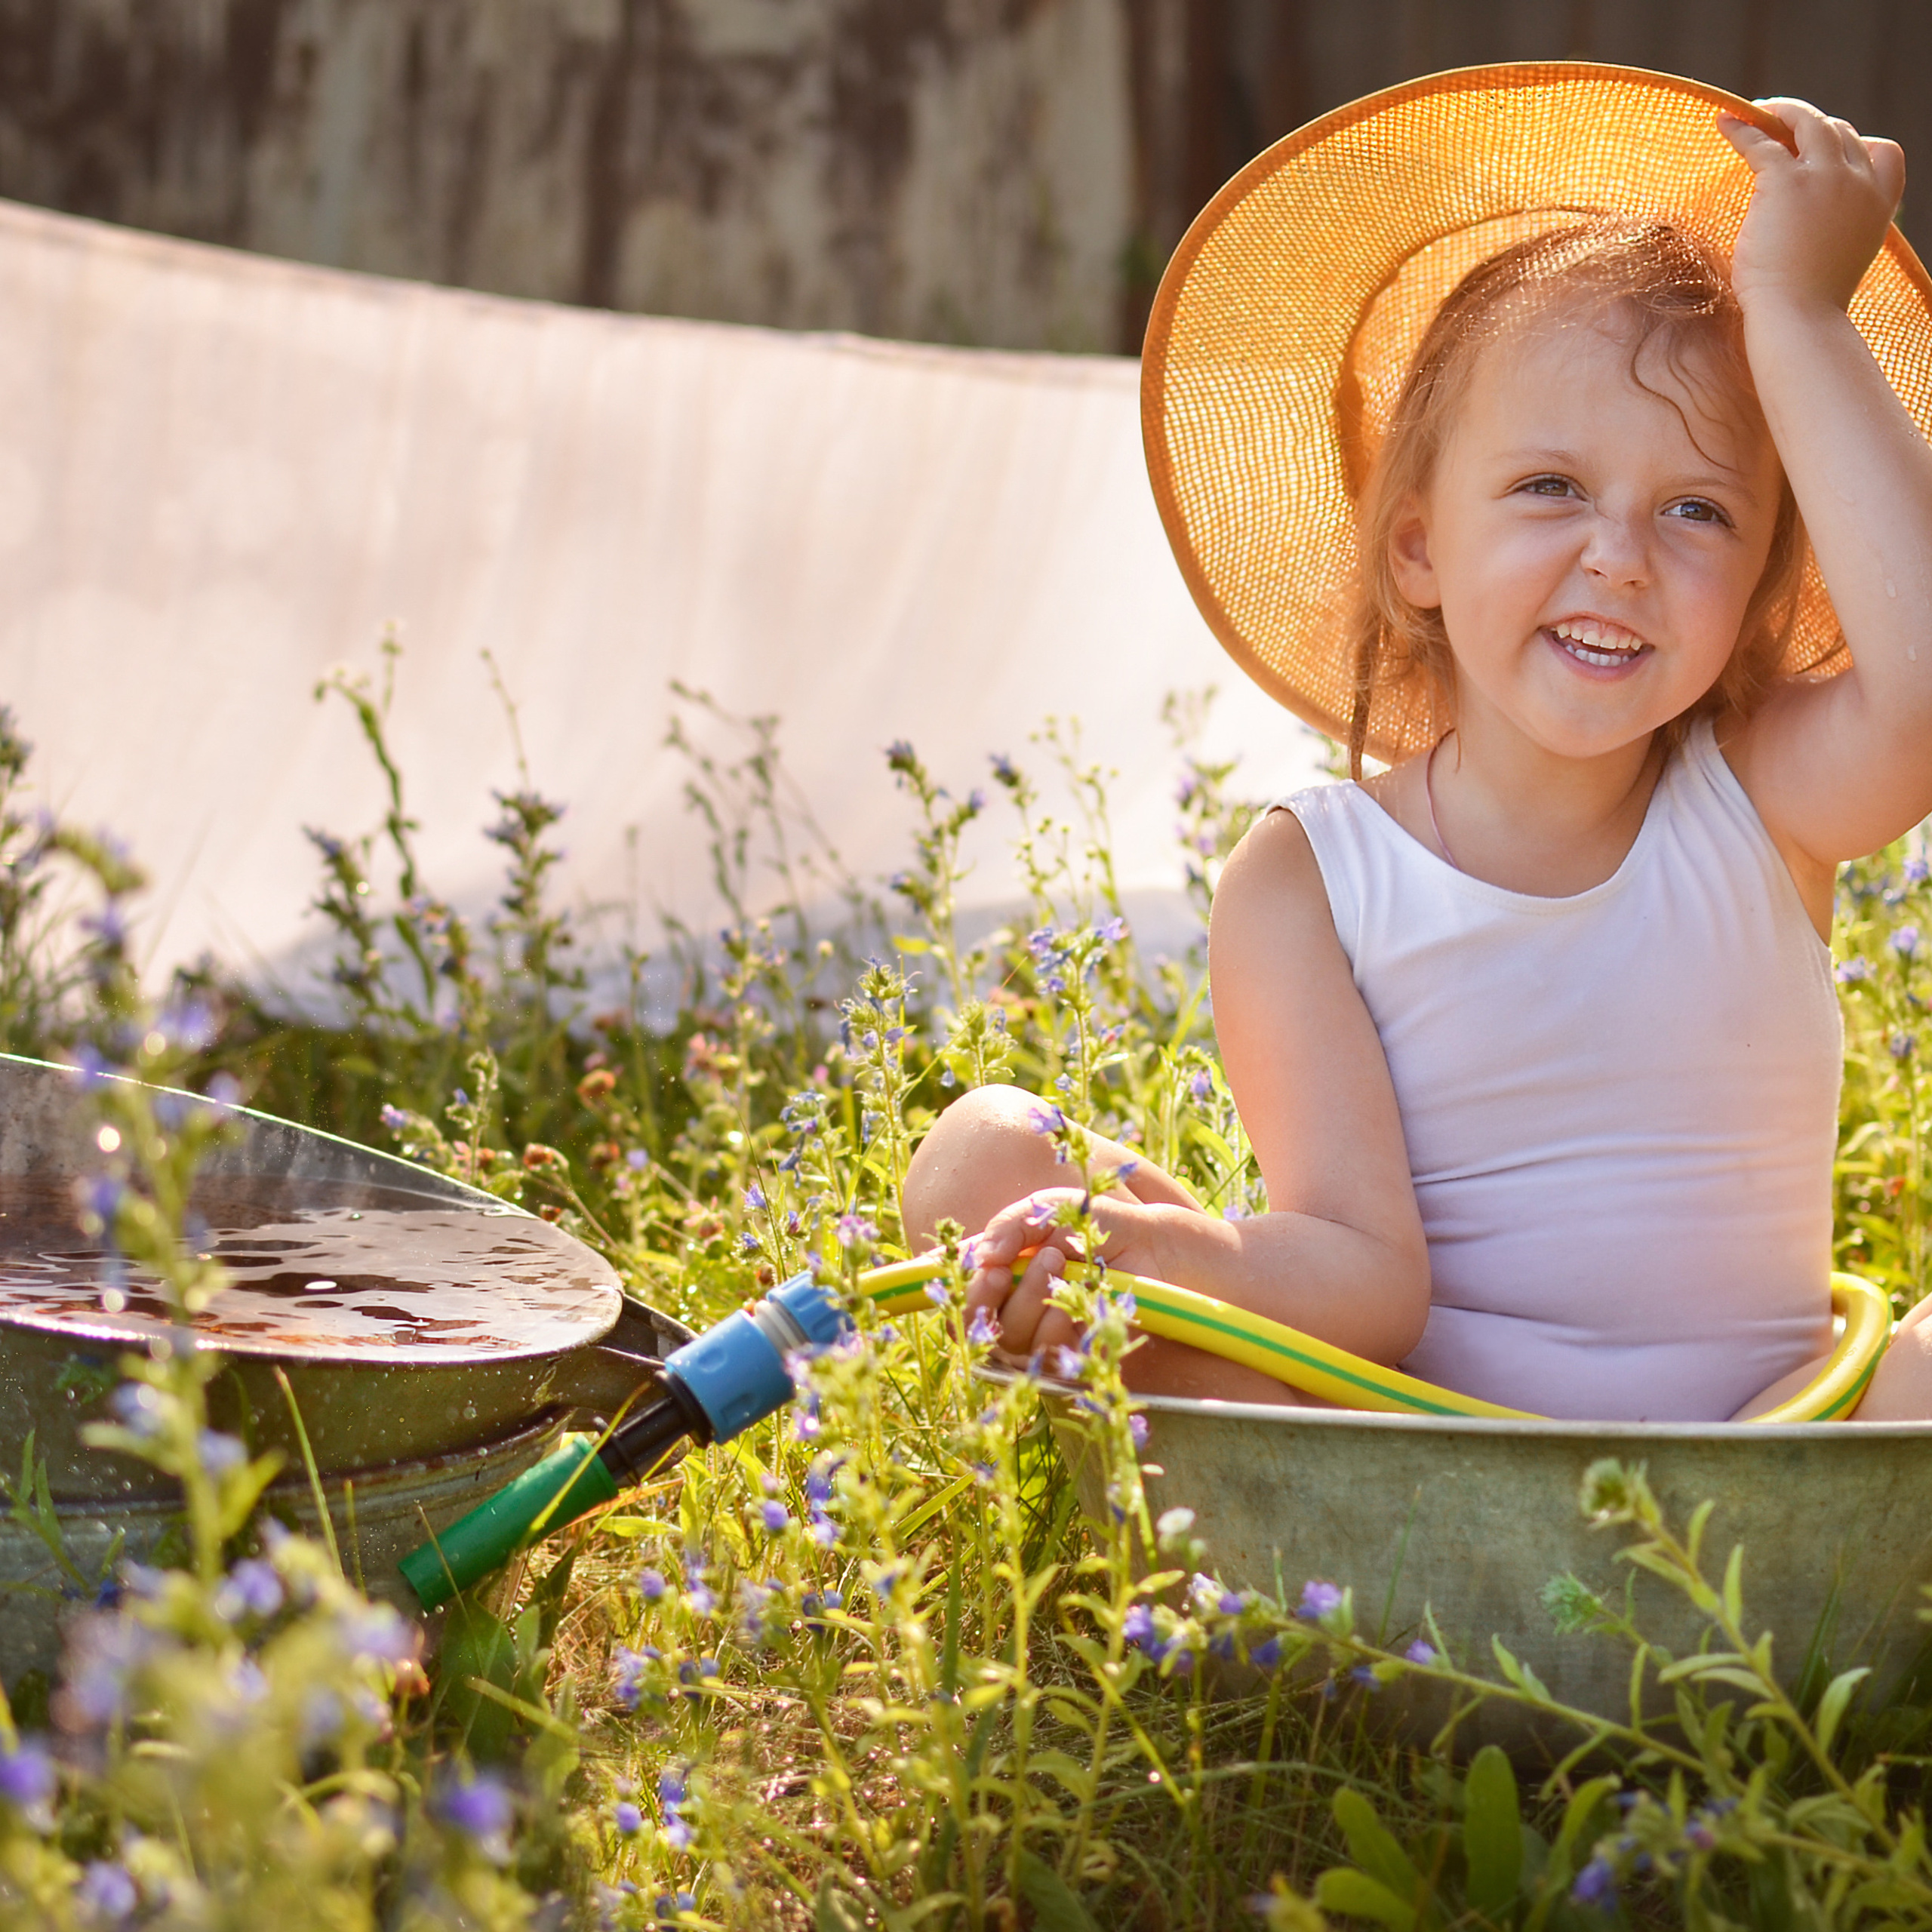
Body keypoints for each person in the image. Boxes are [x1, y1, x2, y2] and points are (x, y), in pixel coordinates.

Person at [901, 67, 1932, 1423]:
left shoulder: (1757, 796)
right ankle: (1326, 1558)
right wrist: (1142, 1250)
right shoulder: (1310, 879)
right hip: (1413, 1468)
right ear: (1419, 547)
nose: (1617, 557)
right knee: (988, 1157)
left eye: (1696, 511)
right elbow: (1361, 1281)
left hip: (1775, 1465)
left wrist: (1800, 310)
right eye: (1550, 487)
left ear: (1757, 583)